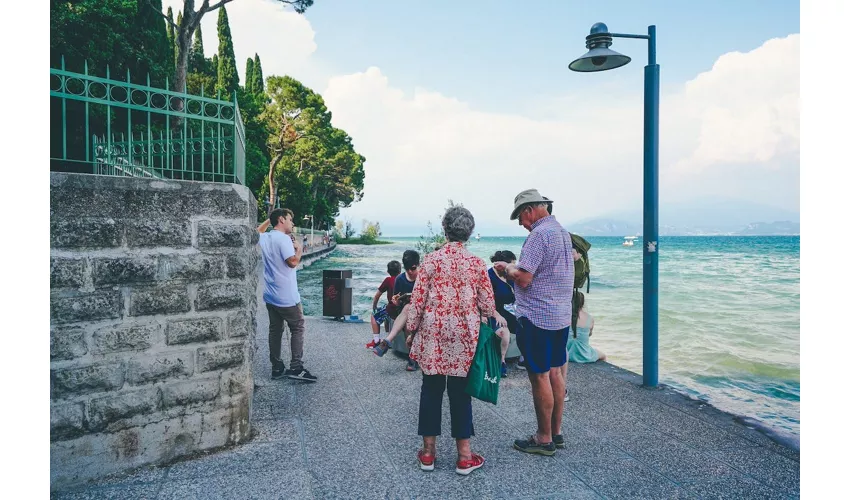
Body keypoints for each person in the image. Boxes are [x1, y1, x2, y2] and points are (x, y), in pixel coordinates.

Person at [405, 205, 503, 476]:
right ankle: (464, 456)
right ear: (469, 233)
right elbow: (487, 304)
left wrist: (411, 330)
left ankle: (428, 454)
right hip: (464, 338)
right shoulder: (476, 264)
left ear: (445, 230)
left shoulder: (430, 261)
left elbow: (417, 300)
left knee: (431, 390)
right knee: (461, 394)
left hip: (433, 335)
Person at [493, 188, 574, 456]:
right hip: (560, 316)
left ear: (530, 210)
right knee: (555, 373)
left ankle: (543, 438)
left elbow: (525, 278)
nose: (520, 223)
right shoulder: (561, 231)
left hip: (538, 317)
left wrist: (507, 269)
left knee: (539, 375)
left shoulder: (539, 235)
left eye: (520, 216)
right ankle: (557, 433)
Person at [257, 209, 318, 383]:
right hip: (286, 296)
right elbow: (292, 262)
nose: (292, 223)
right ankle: (296, 367)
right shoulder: (283, 239)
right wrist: (298, 250)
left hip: (270, 295)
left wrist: (268, 220)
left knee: (275, 330)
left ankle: (277, 367)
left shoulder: (267, 237)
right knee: (297, 327)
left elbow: (256, 232)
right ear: (282, 220)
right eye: (290, 220)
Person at [373, 250, 420, 371]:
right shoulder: (400, 279)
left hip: (422, 312)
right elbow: (397, 302)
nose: (410, 271)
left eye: (413, 268)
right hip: (406, 313)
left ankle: (388, 340)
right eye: (407, 268)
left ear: (418, 265)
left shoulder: (423, 278)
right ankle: (412, 360)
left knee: (409, 308)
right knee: (408, 313)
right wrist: (397, 301)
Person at [489, 250, 519, 377]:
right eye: (511, 265)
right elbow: (484, 300)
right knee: (503, 332)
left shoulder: (511, 275)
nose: (513, 268)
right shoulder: (489, 276)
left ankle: (525, 359)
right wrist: (497, 315)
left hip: (512, 310)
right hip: (494, 312)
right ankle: (501, 362)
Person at [367, 260, 402, 349]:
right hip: (402, 309)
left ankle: (376, 341)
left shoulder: (388, 280)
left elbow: (377, 295)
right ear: (400, 270)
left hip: (392, 309)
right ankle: (388, 338)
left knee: (374, 315)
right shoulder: (403, 279)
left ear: (388, 271)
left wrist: (374, 306)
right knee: (386, 311)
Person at [567, 291, 606, 363]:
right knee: (603, 356)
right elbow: (589, 334)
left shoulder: (565, 316)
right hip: (584, 354)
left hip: (565, 354)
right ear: (582, 303)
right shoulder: (589, 318)